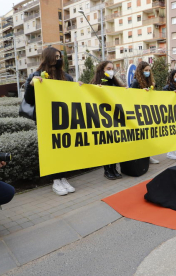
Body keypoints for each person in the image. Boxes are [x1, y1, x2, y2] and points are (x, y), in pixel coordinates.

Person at [24, 47, 83, 196]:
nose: (58, 59)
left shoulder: (67, 78)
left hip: (64, 120)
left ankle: (63, 178)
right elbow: (29, 100)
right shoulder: (36, 75)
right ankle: (55, 180)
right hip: (47, 121)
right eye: (55, 56)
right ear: (48, 57)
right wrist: (32, 85)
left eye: (60, 56)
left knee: (65, 150)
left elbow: (74, 98)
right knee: (51, 150)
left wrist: (80, 88)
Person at [90, 61, 125, 180]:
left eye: (112, 68)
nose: (111, 70)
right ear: (102, 70)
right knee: (107, 146)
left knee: (115, 146)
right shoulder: (96, 83)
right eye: (108, 68)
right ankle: (107, 170)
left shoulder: (115, 83)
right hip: (104, 120)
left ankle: (114, 168)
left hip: (115, 119)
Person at [130, 61, 159, 164]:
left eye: (149, 70)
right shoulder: (135, 82)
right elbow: (131, 97)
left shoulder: (150, 82)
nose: (148, 72)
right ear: (140, 71)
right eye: (146, 70)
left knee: (148, 137)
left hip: (147, 112)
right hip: (139, 113)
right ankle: (140, 158)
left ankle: (148, 156)